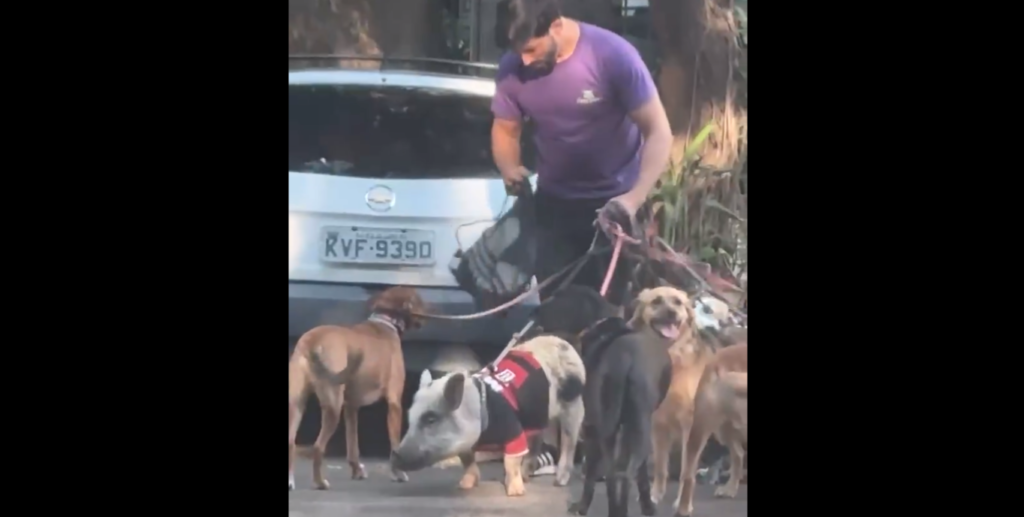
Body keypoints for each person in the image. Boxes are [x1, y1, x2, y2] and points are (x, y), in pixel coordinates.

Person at [490, 0, 673, 471]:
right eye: (518, 55)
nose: (525, 62)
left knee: (610, 326)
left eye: (532, 50)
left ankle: (608, 437)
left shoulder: (612, 55)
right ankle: (555, 444)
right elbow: (506, 129)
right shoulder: (514, 67)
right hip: (555, 206)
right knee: (555, 328)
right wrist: (510, 168)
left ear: (555, 24)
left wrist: (631, 202)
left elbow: (659, 134)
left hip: (615, 207)